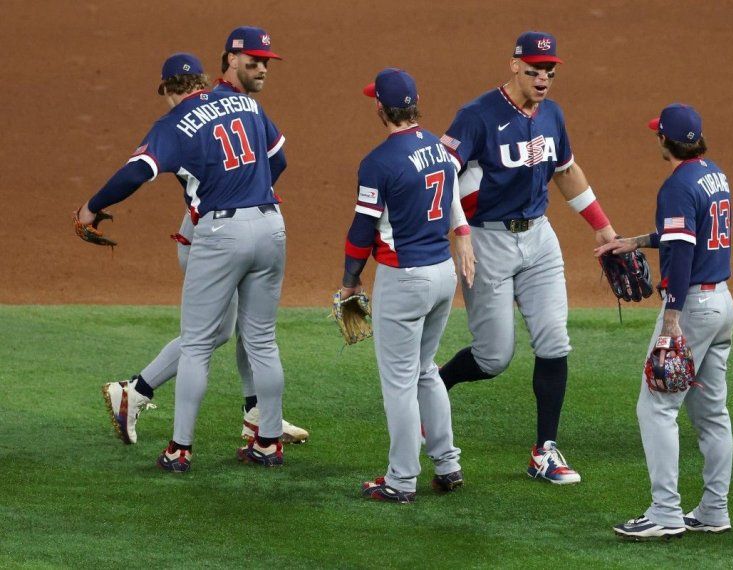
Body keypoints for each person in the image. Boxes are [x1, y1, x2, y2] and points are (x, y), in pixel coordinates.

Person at [101, 26, 309, 448]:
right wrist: (250, 190)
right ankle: (150, 395)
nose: (262, 68)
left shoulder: (197, 113)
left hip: (215, 229)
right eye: (254, 61)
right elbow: (277, 160)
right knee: (228, 333)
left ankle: (146, 394)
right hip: (214, 231)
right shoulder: (228, 105)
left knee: (227, 332)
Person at [438, 31, 616, 484]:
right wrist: (458, 232)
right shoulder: (476, 117)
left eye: (549, 73)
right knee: (494, 357)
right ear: (514, 65)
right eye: (534, 70)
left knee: (555, 340)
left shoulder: (552, 114)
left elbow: (567, 171)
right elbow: (439, 176)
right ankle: (437, 384)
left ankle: (545, 451)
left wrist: (603, 227)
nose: (542, 80)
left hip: (539, 238)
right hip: (487, 242)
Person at [601, 104, 733, 540]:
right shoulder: (713, 174)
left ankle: (665, 513)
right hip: (723, 304)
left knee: (656, 408)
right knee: (712, 413)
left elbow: (680, 253)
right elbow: (685, 233)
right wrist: (636, 242)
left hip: (692, 306)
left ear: (665, 140)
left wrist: (671, 320)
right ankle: (714, 510)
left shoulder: (677, 185)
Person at [342, 68, 476, 503]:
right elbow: (455, 203)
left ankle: (401, 480)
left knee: (399, 382)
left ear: (380, 107)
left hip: (404, 279)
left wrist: (349, 281)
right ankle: (448, 464)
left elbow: (363, 231)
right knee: (425, 371)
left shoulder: (379, 161)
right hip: (442, 274)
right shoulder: (439, 150)